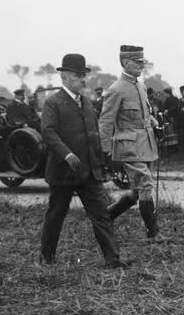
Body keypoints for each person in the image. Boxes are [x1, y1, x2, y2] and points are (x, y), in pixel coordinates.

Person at [39, 53, 128, 268]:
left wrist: (102, 163)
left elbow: (93, 135)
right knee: (56, 215)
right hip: (63, 173)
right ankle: (46, 259)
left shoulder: (87, 103)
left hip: (88, 172)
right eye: (78, 76)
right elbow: (48, 132)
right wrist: (67, 154)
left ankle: (113, 259)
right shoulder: (53, 103)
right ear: (65, 78)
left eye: (83, 75)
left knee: (101, 215)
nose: (82, 79)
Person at [100, 45, 171, 244]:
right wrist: (105, 150)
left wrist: (156, 124)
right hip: (128, 146)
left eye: (142, 62)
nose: (141, 65)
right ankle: (153, 234)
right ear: (125, 63)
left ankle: (105, 218)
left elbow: (145, 114)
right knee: (146, 183)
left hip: (145, 144)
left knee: (137, 190)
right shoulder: (116, 90)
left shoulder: (140, 87)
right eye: (137, 62)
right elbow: (105, 122)